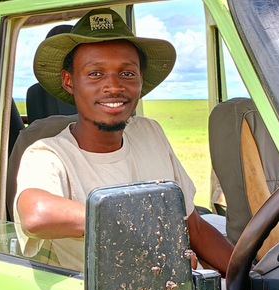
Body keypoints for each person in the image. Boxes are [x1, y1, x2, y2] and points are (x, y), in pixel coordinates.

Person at [13, 8, 233, 275]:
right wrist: (146, 231)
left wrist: (248, 278)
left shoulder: (149, 133)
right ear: (69, 81)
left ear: (141, 79)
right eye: (95, 74)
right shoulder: (48, 154)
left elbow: (193, 226)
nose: (114, 86)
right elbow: (35, 214)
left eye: (127, 73)